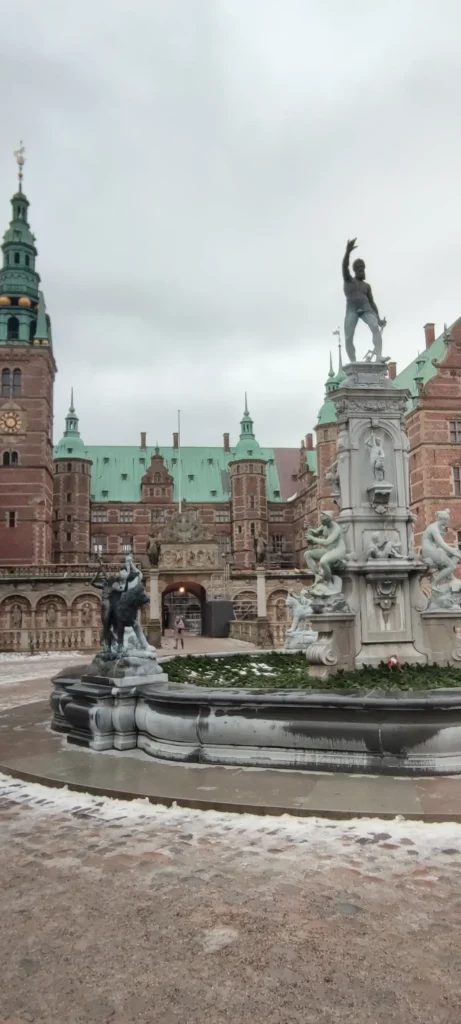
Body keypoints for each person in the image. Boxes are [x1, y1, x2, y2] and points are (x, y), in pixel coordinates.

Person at [342, 238, 387, 363]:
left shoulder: (366, 286)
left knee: (374, 327)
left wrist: (378, 320)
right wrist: (348, 252)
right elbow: (344, 266)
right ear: (355, 270)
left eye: (363, 267)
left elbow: (372, 303)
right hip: (352, 310)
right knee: (348, 337)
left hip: (366, 309)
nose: (361, 269)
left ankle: (379, 355)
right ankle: (353, 361)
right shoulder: (348, 280)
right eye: (359, 267)